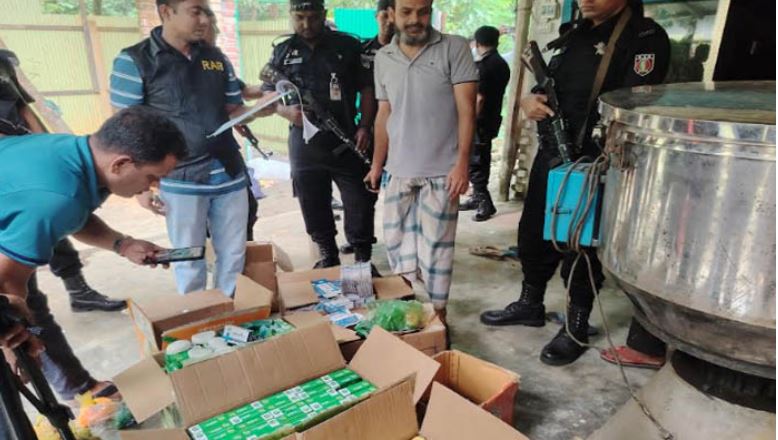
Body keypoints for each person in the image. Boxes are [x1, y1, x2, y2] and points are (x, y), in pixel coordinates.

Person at [480, 0, 670, 366]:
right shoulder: (573, 35)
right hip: (552, 154)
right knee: (533, 232)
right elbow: (544, 86)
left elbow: (636, 106)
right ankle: (530, 303)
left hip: (594, 162)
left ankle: (576, 325)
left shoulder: (644, 37)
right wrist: (529, 100)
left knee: (580, 245)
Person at [0, 107, 186, 413]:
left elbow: (76, 214)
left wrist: (123, 244)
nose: (155, 187)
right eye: (153, 178)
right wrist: (12, 343)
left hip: (16, 223)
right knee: (21, 333)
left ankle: (75, 386)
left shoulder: (77, 155)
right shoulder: (55, 198)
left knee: (33, 316)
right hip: (8, 256)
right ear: (121, 164)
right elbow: (7, 283)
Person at [110, 0, 276, 296]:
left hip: (228, 174)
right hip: (180, 180)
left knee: (234, 255)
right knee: (188, 259)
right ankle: (198, 316)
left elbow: (233, 109)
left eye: (206, 12)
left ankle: (228, 313)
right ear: (166, 11)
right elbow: (124, 130)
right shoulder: (135, 61)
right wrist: (140, 188)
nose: (204, 20)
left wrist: (259, 110)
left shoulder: (215, 58)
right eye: (195, 12)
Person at [366, 0, 478, 324]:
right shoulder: (384, 57)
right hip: (398, 172)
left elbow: (467, 110)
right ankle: (411, 315)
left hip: (442, 173)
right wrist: (377, 165)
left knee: (436, 254)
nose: (416, 19)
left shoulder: (454, 48)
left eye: (423, 11)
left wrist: (462, 164)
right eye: (406, 12)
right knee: (397, 248)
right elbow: (384, 114)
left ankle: (439, 320)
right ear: (391, 14)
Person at [0, 49, 127, 313]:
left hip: (28, 162)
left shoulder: (3, 62)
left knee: (54, 222)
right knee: (18, 279)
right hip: (12, 169)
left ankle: (73, 293)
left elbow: (23, 107)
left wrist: (41, 146)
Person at [263, 0, 378, 268]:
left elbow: (367, 89)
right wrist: (285, 112)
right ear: (291, 16)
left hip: (347, 138)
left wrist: (365, 126)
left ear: (324, 15)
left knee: (359, 201)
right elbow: (268, 93)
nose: (306, 24)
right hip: (305, 142)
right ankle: (328, 255)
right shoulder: (283, 51)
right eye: (299, 17)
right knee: (312, 200)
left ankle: (362, 258)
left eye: (313, 17)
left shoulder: (347, 45)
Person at [341, 0, 396, 256]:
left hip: (402, 131)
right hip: (371, 131)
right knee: (366, 189)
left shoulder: (408, 50)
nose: (388, 21)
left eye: (392, 16)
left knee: (399, 189)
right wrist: (363, 125)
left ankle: (400, 241)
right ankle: (361, 238)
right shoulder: (362, 51)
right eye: (384, 15)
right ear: (377, 17)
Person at [459, 25, 510, 222]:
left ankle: (485, 203)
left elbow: (479, 98)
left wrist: (469, 120)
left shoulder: (483, 67)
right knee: (482, 157)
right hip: (492, 118)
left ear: (477, 43)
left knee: (476, 161)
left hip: (479, 120)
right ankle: (476, 198)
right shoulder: (501, 63)